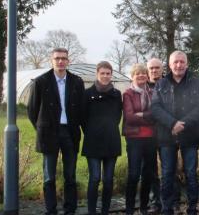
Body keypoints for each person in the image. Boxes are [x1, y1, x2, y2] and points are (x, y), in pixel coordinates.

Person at [27, 48, 86, 215]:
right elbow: (32, 111)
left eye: (64, 58)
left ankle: (70, 209)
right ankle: (50, 210)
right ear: (51, 61)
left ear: (68, 61)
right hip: (49, 133)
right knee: (49, 176)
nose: (60, 61)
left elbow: (82, 109)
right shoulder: (40, 82)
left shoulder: (77, 82)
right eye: (57, 58)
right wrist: (42, 127)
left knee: (70, 175)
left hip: (70, 132)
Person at [150, 51, 199, 215]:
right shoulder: (161, 84)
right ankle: (167, 209)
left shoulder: (196, 83)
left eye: (182, 62)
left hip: (190, 135)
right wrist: (172, 123)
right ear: (170, 64)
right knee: (167, 173)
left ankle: (192, 208)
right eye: (175, 62)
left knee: (190, 173)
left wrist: (184, 124)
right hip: (167, 136)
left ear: (186, 64)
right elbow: (155, 108)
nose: (179, 65)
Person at [82, 61, 123, 215]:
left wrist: (110, 128)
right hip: (92, 142)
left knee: (108, 180)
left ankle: (105, 210)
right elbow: (83, 117)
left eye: (108, 73)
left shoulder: (116, 94)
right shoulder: (87, 93)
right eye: (102, 73)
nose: (105, 76)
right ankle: (92, 211)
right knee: (94, 178)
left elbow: (118, 115)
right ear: (97, 74)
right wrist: (92, 131)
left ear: (111, 75)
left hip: (111, 141)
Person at [124, 64, 157, 215]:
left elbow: (156, 114)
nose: (142, 76)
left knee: (148, 174)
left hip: (151, 138)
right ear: (132, 76)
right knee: (134, 174)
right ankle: (130, 208)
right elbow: (130, 118)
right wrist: (149, 117)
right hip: (135, 139)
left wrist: (142, 115)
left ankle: (143, 207)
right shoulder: (128, 94)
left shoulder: (152, 93)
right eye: (138, 74)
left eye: (144, 73)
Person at [146, 57, 164, 214]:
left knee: (170, 169)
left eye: (157, 68)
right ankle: (155, 202)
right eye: (151, 68)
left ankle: (173, 201)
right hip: (148, 135)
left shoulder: (169, 85)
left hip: (167, 133)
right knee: (152, 170)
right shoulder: (143, 87)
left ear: (162, 69)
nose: (154, 70)